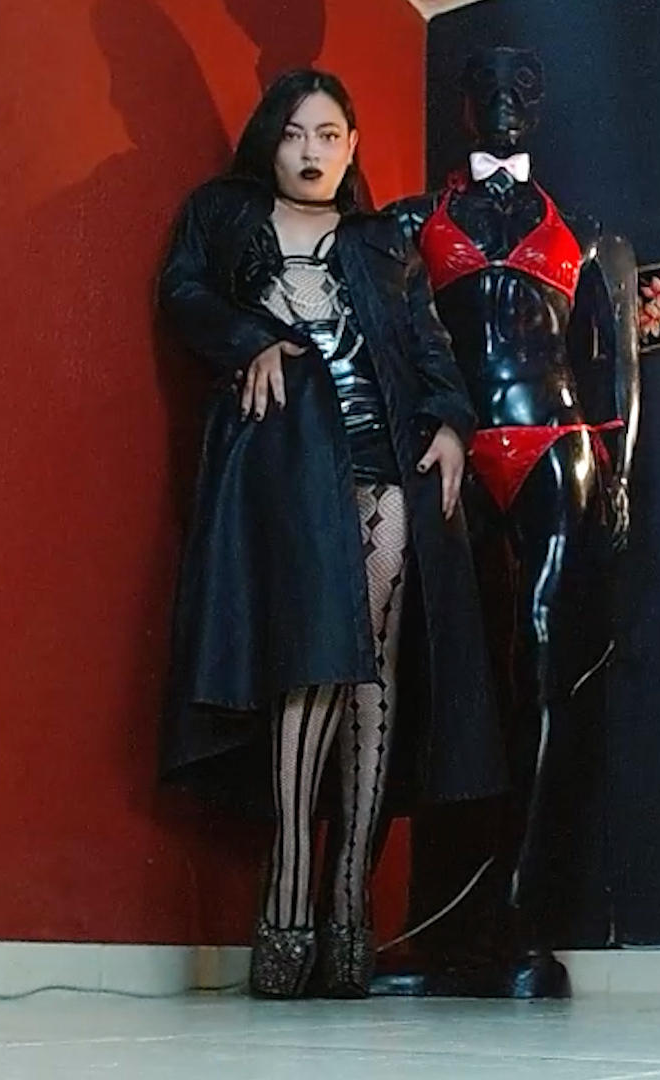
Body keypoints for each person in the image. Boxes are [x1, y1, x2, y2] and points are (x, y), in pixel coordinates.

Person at [155, 69, 503, 1000]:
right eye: (296, 133)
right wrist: (248, 341)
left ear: (353, 148)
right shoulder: (225, 216)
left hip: (386, 461)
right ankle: (289, 892)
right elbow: (182, 293)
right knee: (315, 654)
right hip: (287, 465)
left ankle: (348, 896)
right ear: (271, 140)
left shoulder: (384, 242)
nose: (312, 152)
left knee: (371, 664)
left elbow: (431, 349)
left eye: (330, 135)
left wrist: (450, 424)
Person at [380, 46, 639, 999]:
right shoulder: (412, 221)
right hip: (453, 447)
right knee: (449, 675)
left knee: (543, 673)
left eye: (522, 88)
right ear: (462, 105)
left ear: (541, 104)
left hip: (557, 445)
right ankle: (445, 925)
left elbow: (617, 368)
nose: (502, 102)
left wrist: (620, 476)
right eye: (486, 88)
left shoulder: (593, 236)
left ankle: (524, 920)